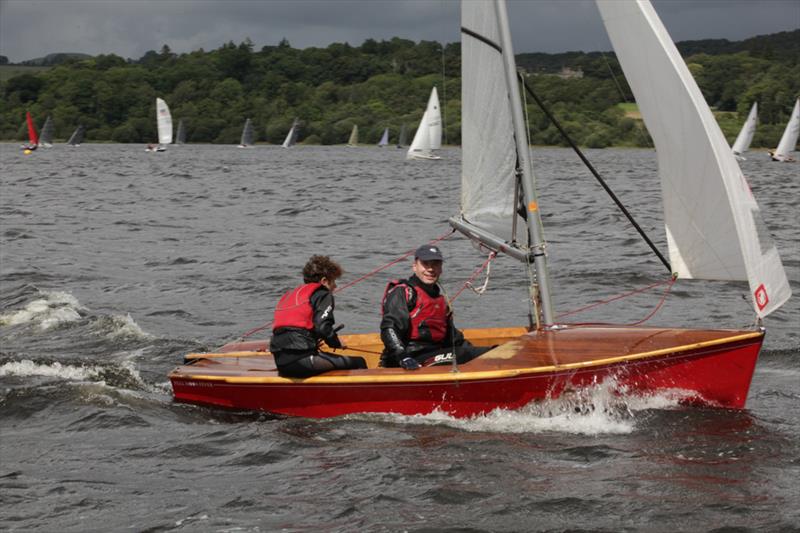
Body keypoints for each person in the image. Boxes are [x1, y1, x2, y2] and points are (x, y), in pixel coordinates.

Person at [379, 245, 491, 370]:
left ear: (441, 269)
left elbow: (453, 339)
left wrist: (482, 352)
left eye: (436, 264)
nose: (431, 269)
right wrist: (402, 356)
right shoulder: (403, 292)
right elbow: (389, 328)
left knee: (488, 353)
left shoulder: (440, 300)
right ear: (415, 266)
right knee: (464, 354)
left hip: (434, 356)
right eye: (425, 264)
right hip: (408, 359)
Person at [270, 255, 367, 377]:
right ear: (324, 281)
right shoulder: (323, 294)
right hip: (302, 360)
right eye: (334, 281)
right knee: (359, 362)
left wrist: (313, 340)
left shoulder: (290, 295)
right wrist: (336, 343)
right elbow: (323, 328)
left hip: (281, 361)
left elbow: (291, 329)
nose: (335, 286)